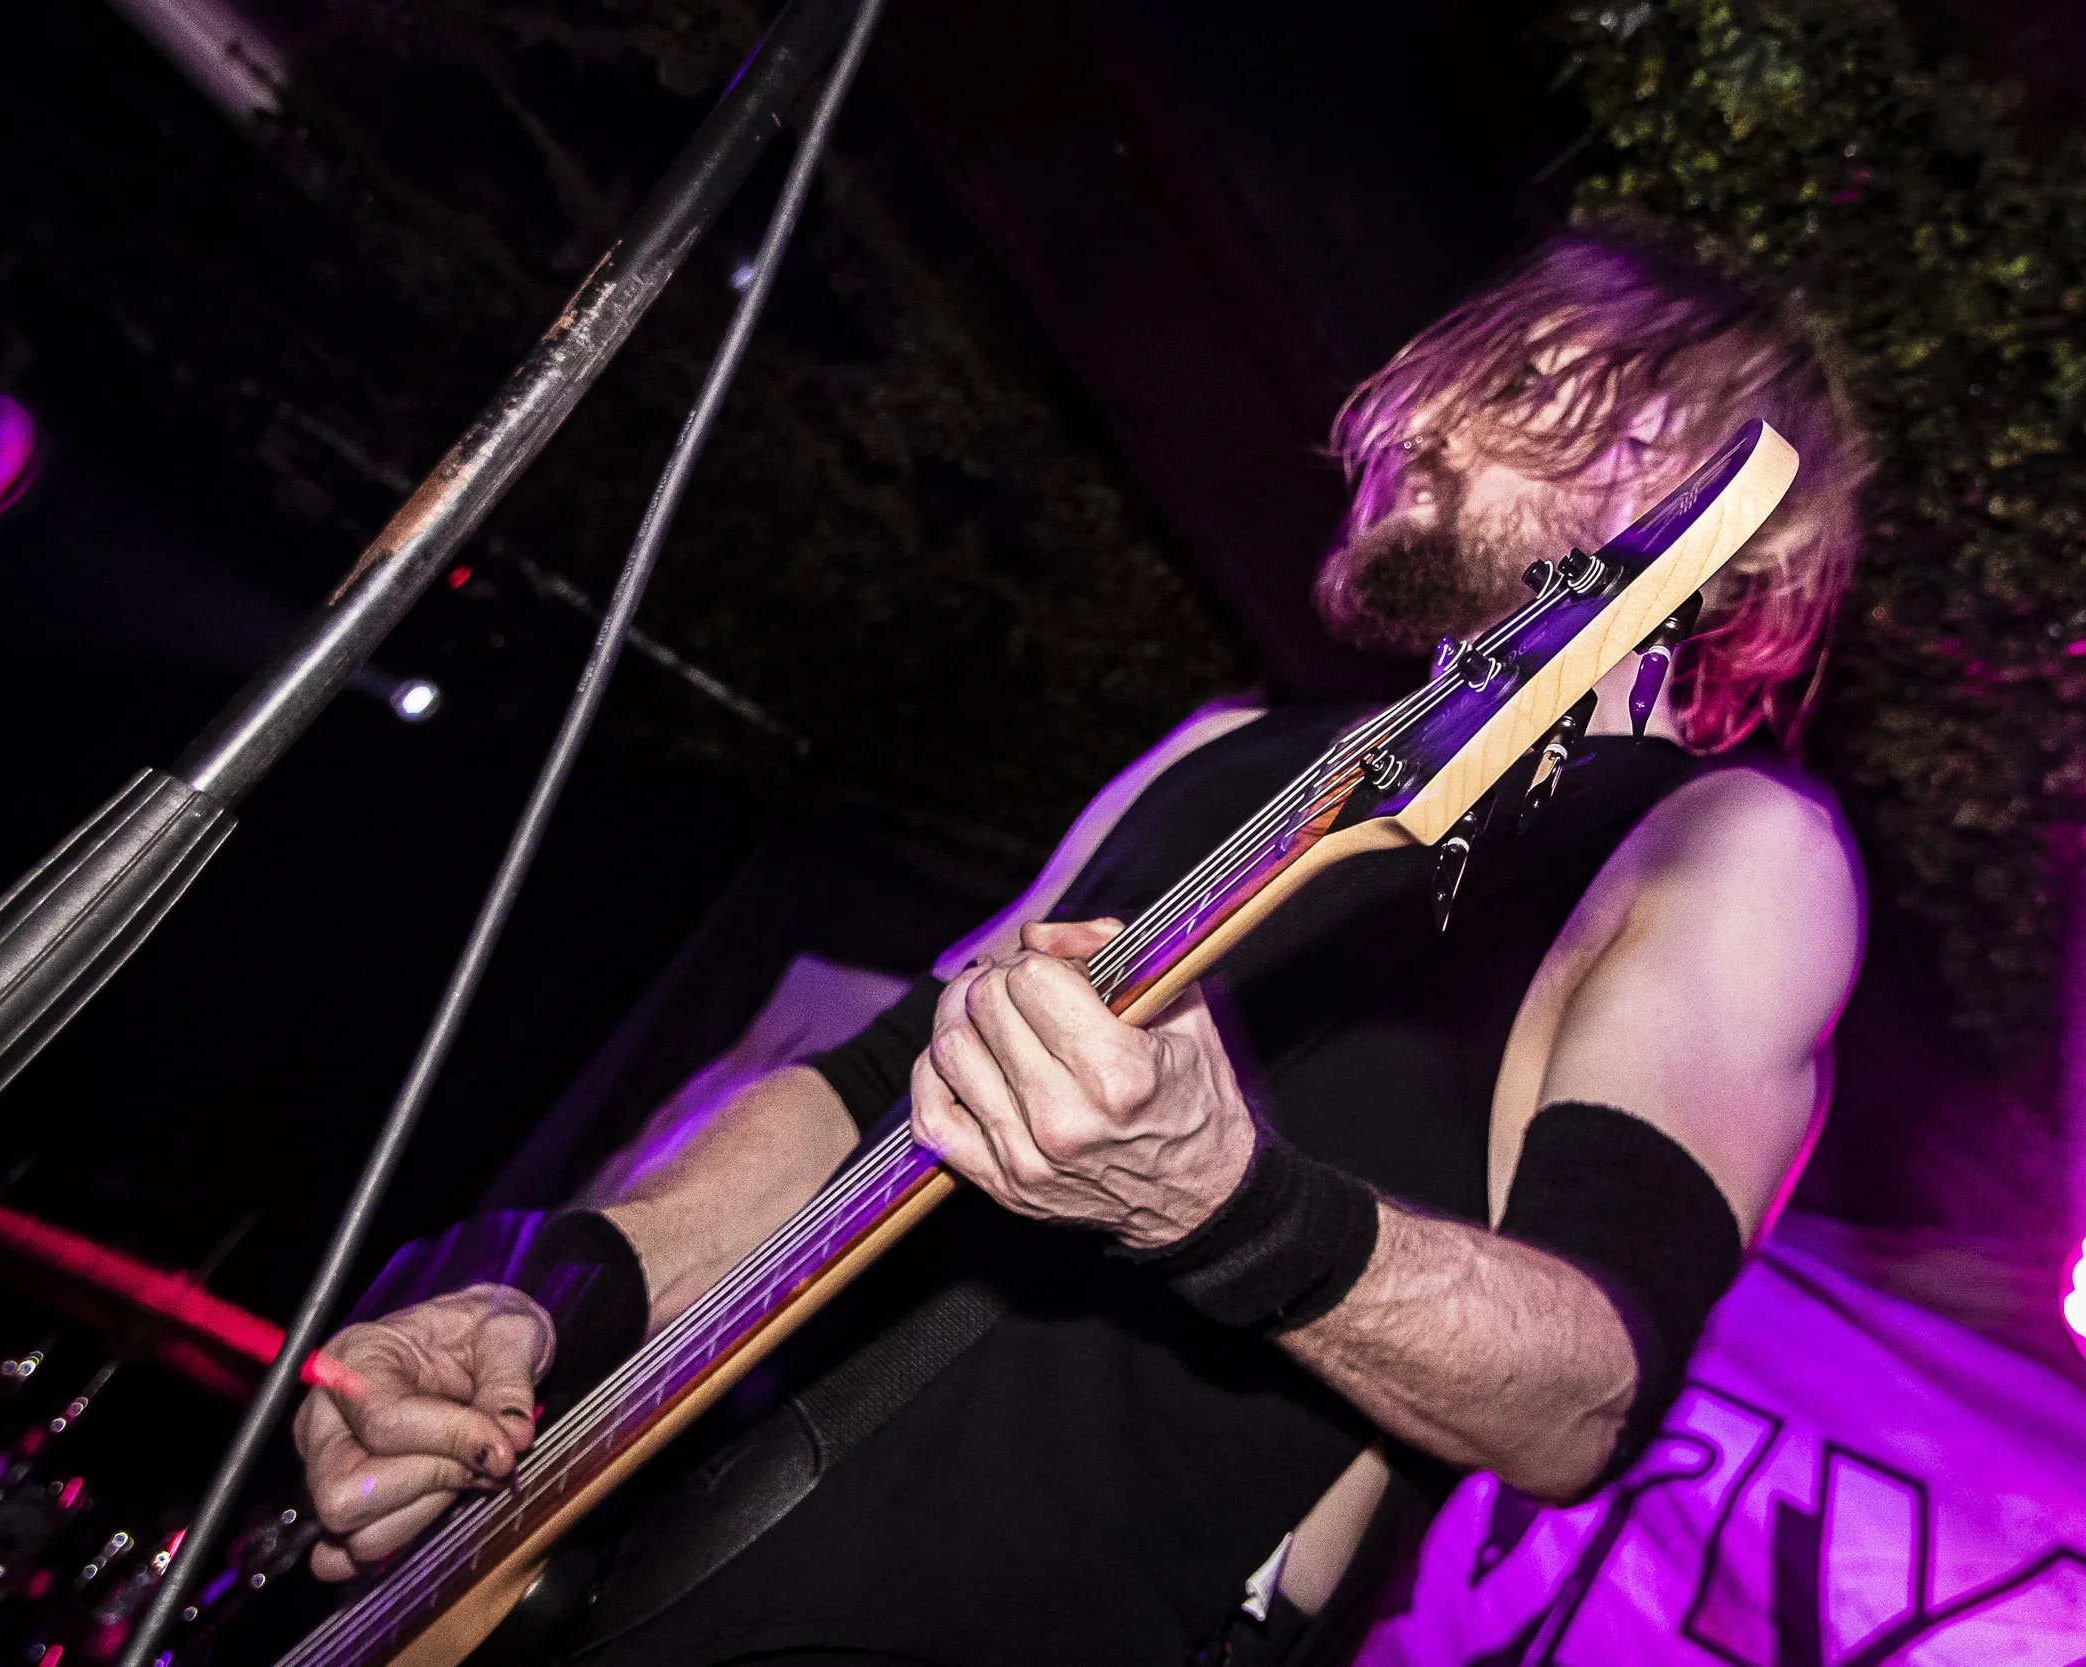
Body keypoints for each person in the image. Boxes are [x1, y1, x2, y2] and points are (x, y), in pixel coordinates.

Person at [290, 229, 1876, 1665]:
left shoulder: (1727, 849)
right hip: (659, 1535)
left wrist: (1227, 1205)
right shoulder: (1229, 750)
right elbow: (860, 1092)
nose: (1422, 429)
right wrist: (556, 1305)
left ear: (1703, 475)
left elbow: (1588, 1390)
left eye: (1520, 383)